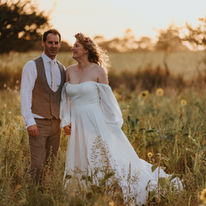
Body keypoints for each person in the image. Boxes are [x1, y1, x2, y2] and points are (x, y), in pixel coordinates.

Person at [60, 33, 182, 205]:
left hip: (96, 121)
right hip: (78, 123)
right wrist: (66, 120)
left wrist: (111, 125)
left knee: (103, 156)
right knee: (81, 155)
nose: (73, 48)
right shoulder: (69, 71)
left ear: (86, 50)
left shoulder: (98, 70)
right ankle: (83, 193)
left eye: (76, 46)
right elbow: (65, 99)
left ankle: (111, 190)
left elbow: (108, 102)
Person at [21, 29, 66, 183]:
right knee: (37, 165)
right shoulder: (31, 66)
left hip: (56, 124)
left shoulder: (62, 69)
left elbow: (63, 98)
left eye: (56, 43)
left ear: (60, 44)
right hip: (38, 123)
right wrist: (29, 122)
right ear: (43, 43)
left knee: (50, 165)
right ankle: (27, 194)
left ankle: (42, 194)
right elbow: (25, 95)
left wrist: (65, 120)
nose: (53, 46)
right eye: (50, 42)